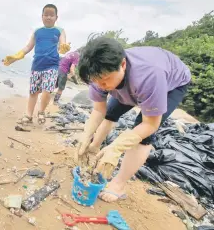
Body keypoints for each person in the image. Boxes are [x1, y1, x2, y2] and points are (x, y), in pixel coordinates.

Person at [75, 37, 191, 203]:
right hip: (131, 80)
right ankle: (94, 150)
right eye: (96, 82)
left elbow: (150, 124)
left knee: (142, 133)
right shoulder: (97, 73)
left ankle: (118, 184)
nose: (100, 86)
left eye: (104, 80)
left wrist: (116, 148)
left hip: (171, 83)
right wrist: (86, 136)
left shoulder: (149, 75)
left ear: (122, 65)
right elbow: (99, 109)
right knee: (110, 113)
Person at [2, 4, 71, 124]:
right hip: (37, 66)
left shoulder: (60, 30)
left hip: (52, 65)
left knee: (47, 90)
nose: (48, 17)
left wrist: (63, 47)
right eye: (46, 14)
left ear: (56, 17)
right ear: (42, 16)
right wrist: (16, 56)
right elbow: (28, 47)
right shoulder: (37, 32)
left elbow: (62, 43)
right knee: (33, 92)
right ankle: (28, 115)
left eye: (51, 15)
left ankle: (41, 112)